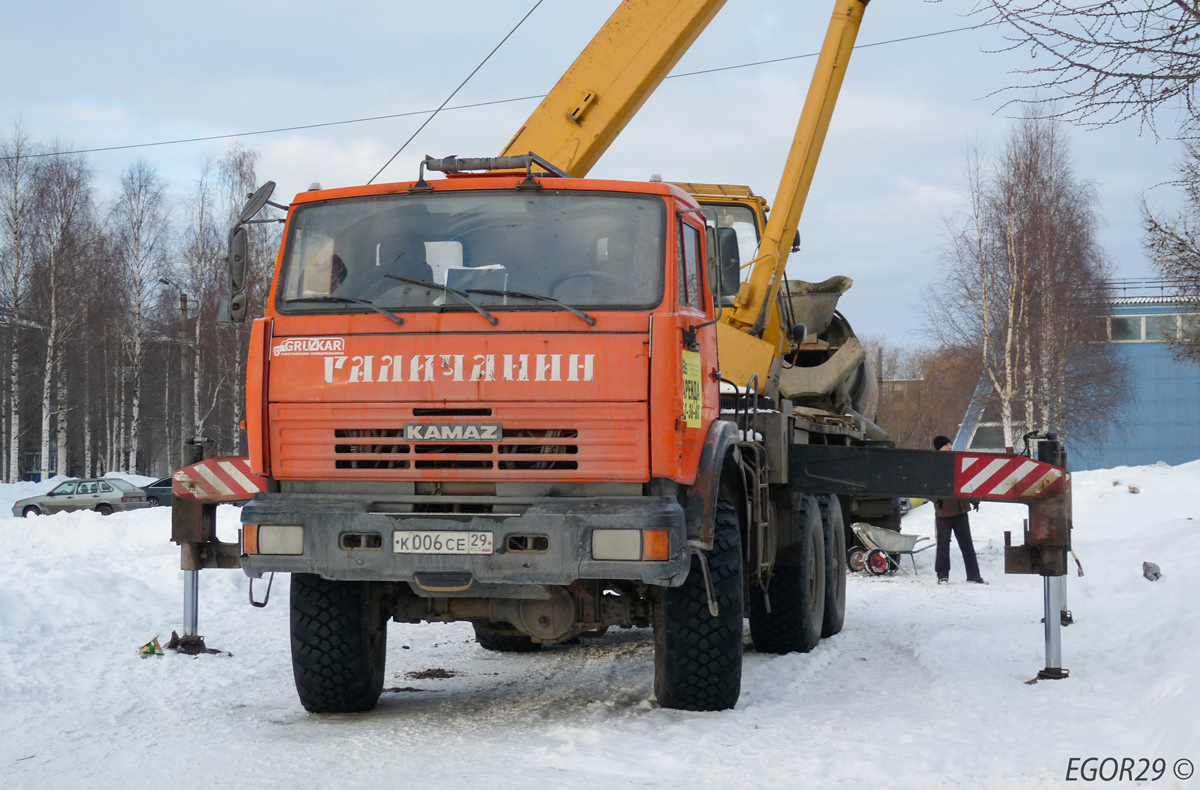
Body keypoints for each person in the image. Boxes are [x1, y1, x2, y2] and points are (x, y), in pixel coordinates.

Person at [932, 435, 985, 584]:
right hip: (944, 512)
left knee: (967, 543)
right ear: (939, 448)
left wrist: (974, 499)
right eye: (946, 445)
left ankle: (973, 575)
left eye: (950, 444)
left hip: (961, 509)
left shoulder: (958, 461)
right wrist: (937, 501)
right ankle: (942, 575)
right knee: (943, 545)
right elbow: (926, 487)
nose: (949, 447)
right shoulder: (933, 464)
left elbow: (966, 481)